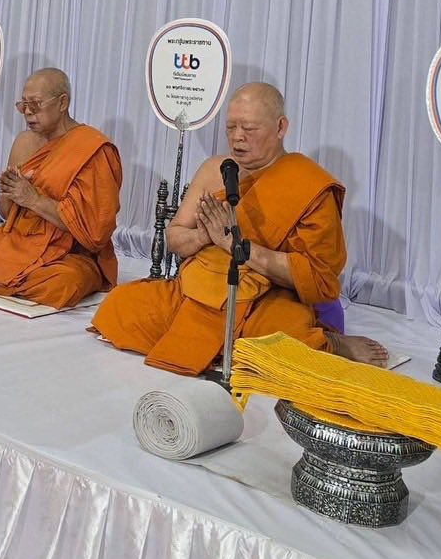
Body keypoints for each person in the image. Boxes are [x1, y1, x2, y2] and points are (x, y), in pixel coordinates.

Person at [90, 82, 387, 375]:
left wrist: (237, 246)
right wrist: (202, 236)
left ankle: (331, 343)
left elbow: (317, 276)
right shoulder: (214, 170)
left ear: (281, 127)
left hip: (265, 298)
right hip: (197, 292)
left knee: (288, 338)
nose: (238, 137)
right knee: (119, 306)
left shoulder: (308, 185)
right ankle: (224, 346)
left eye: (249, 128)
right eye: (231, 128)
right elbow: (175, 236)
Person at [0, 68, 122, 309]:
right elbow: (10, 216)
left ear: (62, 103)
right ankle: (7, 279)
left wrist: (34, 199)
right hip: (18, 242)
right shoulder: (25, 142)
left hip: (68, 253)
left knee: (64, 284)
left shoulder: (93, 149)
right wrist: (10, 195)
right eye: (23, 105)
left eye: (35, 104)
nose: (27, 112)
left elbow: (94, 232)